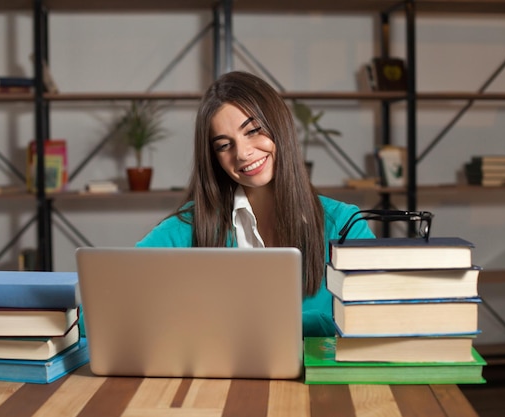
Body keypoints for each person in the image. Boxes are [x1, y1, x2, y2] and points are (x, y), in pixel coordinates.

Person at [136, 71, 374, 337]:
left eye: (253, 131)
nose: (243, 153)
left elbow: (383, 319)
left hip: (312, 380)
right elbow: (95, 316)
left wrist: (282, 325)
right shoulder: (186, 229)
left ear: (279, 127)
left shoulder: (343, 226)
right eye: (224, 145)